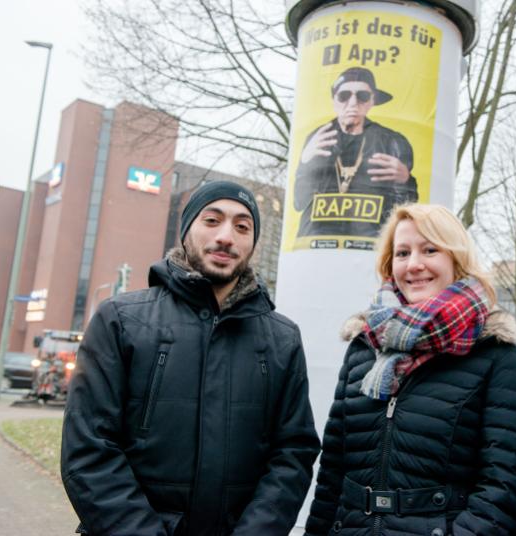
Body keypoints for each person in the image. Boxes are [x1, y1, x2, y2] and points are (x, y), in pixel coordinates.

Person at [61, 181, 321, 535]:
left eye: (242, 226)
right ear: (186, 230)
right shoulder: (120, 320)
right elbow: (89, 449)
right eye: (212, 220)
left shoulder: (282, 338)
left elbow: (293, 452)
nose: (227, 236)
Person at [305, 203, 516, 535]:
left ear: (456, 259)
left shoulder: (497, 355)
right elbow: (332, 476)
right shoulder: (364, 349)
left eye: (430, 250)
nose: (414, 265)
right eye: (402, 253)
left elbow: (503, 491)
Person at [294, 67, 418, 247]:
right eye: (344, 96)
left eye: (362, 96)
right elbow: (299, 202)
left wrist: (406, 180)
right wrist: (305, 163)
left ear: (372, 101)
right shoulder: (317, 139)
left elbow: (408, 211)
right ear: (334, 100)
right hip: (316, 247)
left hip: (374, 249)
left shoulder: (393, 141)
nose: (353, 103)